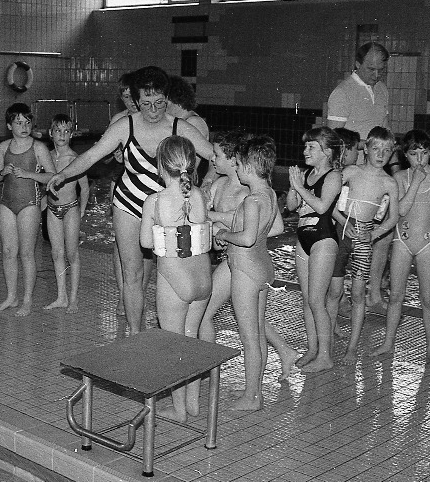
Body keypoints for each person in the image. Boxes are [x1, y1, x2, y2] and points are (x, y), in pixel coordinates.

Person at [47, 66, 214, 334]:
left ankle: (169, 325)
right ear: (136, 102)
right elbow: (91, 156)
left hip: (165, 209)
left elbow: (215, 156)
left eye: (160, 103)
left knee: (169, 273)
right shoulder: (125, 126)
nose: (153, 110)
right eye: (146, 103)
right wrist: (62, 175)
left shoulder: (179, 127)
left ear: (167, 99)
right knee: (132, 275)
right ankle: (135, 333)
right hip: (129, 205)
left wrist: (213, 184)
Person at [198, 131, 296, 390]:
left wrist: (224, 231)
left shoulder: (251, 197)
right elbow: (268, 229)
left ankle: (251, 393)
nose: (213, 159)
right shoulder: (267, 194)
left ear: (243, 165)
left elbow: (248, 236)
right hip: (257, 265)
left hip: (245, 267)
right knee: (254, 328)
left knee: (248, 334)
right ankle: (257, 385)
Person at [139, 135, 211, 422]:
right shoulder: (199, 196)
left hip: (175, 279)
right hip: (204, 278)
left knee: (173, 345)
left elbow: (146, 242)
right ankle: (193, 404)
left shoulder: (155, 201)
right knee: (191, 341)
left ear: (160, 165)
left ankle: (179, 410)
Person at [371, 130, 430, 364]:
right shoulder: (400, 178)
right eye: (415, 154)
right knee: (396, 296)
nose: (420, 159)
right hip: (402, 241)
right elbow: (402, 211)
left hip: (429, 243)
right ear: (405, 155)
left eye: (425, 153)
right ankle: (388, 343)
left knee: (428, 300)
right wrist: (415, 182)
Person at [327, 42, 395, 310]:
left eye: (381, 70)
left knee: (382, 235)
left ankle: (374, 293)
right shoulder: (342, 93)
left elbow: (385, 130)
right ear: (357, 64)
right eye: (371, 69)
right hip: (355, 176)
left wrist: (394, 166)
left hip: (378, 174)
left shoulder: (382, 90)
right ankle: (340, 294)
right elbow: (334, 142)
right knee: (345, 234)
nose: (376, 75)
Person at [334, 126, 399, 364]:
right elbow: (330, 199)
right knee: (333, 290)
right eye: (376, 148)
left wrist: (374, 235)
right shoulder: (351, 171)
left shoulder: (389, 183)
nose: (381, 154)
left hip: (364, 236)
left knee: (358, 293)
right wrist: (342, 221)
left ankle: (352, 347)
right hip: (342, 231)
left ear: (392, 153)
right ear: (366, 149)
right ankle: (328, 335)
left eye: (386, 150)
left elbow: (392, 218)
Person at [286, 126, 342, 372]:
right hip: (303, 238)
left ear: (327, 152)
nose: (305, 151)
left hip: (323, 239)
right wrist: (293, 186)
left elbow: (321, 207)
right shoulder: (306, 175)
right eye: (305, 146)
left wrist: (300, 188)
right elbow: (290, 207)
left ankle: (326, 356)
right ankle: (312, 349)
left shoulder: (333, 176)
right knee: (308, 299)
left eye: (311, 147)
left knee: (318, 300)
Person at [0, 103, 56, 317]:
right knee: (8, 252)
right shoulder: (4, 147)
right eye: (18, 122)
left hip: (29, 203)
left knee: (27, 253)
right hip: (7, 203)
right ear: (9, 125)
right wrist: (3, 172)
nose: (24, 126)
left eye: (27, 122)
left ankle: (27, 299)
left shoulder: (38, 148)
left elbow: (52, 175)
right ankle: (11, 296)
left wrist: (30, 175)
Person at [107, 72, 147, 317]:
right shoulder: (119, 120)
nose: (130, 102)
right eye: (125, 97)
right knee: (121, 245)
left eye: (133, 96)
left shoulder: (152, 120)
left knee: (147, 247)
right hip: (122, 183)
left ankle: (137, 294)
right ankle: (125, 295)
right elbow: (108, 151)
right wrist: (117, 155)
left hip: (147, 187)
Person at [44, 114, 89, 313]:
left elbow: (85, 189)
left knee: (72, 253)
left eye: (66, 131)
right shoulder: (46, 156)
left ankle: (73, 299)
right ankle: (61, 296)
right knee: (56, 253)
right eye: (58, 131)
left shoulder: (75, 159)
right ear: (50, 133)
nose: (62, 135)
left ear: (71, 135)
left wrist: (82, 211)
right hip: (53, 209)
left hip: (71, 208)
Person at [326, 127, 361, 338]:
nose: (359, 154)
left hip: (335, 231)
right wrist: (343, 221)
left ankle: (331, 327)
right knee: (331, 288)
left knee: (333, 288)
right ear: (345, 150)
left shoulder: (343, 173)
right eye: (356, 149)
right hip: (331, 233)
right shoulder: (338, 175)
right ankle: (328, 329)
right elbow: (327, 203)